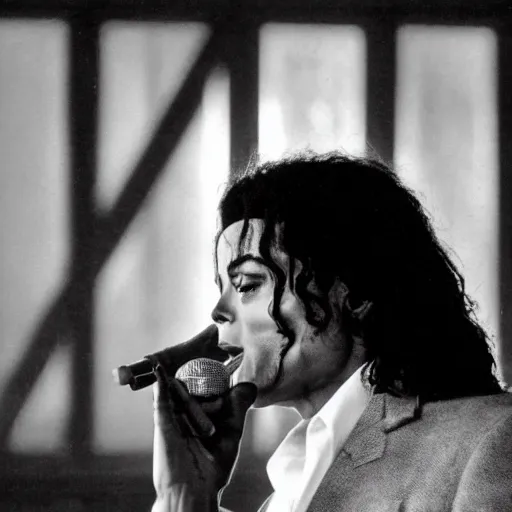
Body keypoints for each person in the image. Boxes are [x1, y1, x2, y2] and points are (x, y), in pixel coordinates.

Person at [151, 152, 512, 512]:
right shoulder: (284, 494)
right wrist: (183, 499)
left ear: (355, 292)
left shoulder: (492, 438)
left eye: (247, 284)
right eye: (223, 289)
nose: (218, 312)